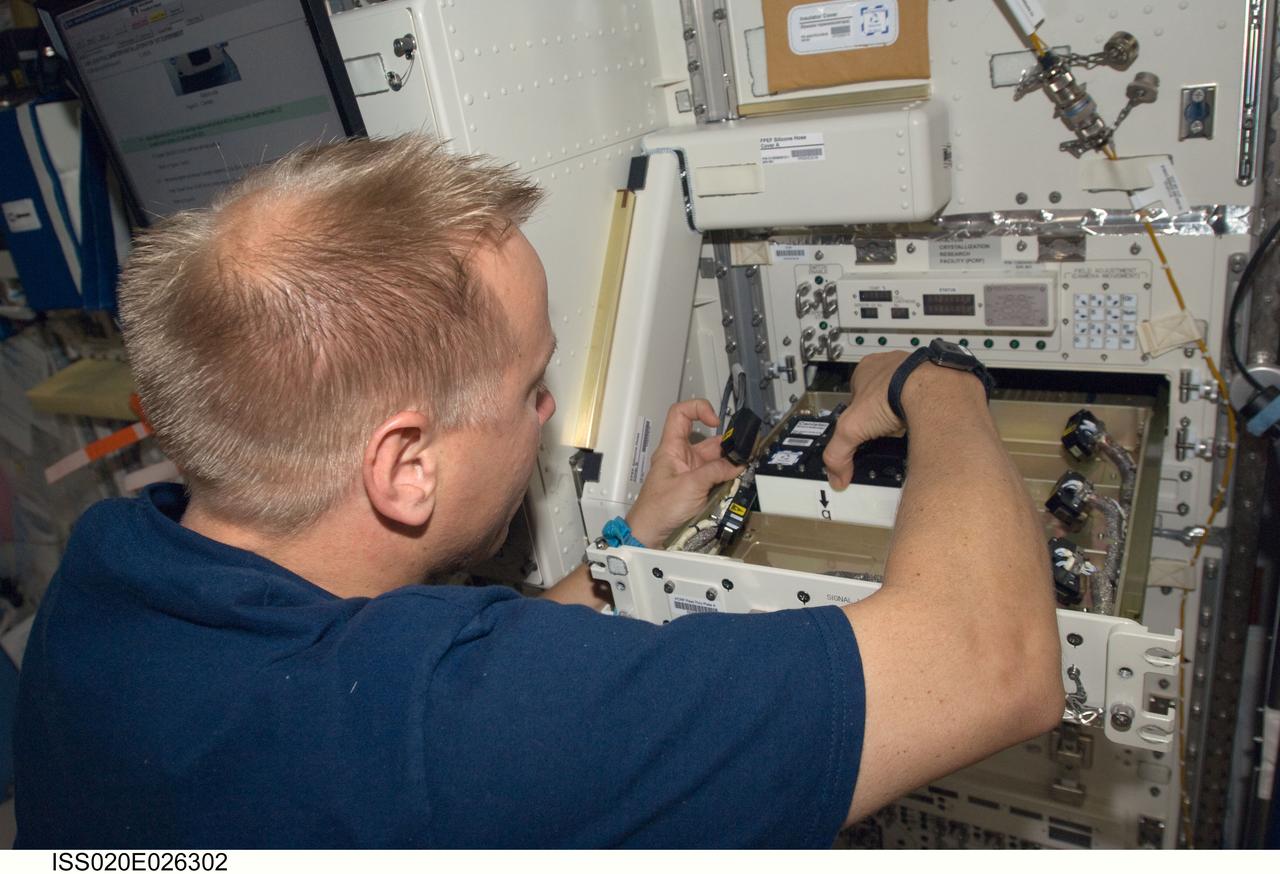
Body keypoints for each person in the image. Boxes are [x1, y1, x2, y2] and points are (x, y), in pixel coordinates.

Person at [14, 135, 1062, 849]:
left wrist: (632, 541)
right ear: (404, 466)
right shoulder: (462, 730)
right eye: (532, 387)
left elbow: (404, 682)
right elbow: (994, 661)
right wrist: (937, 382)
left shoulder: (104, 572)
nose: (547, 415)